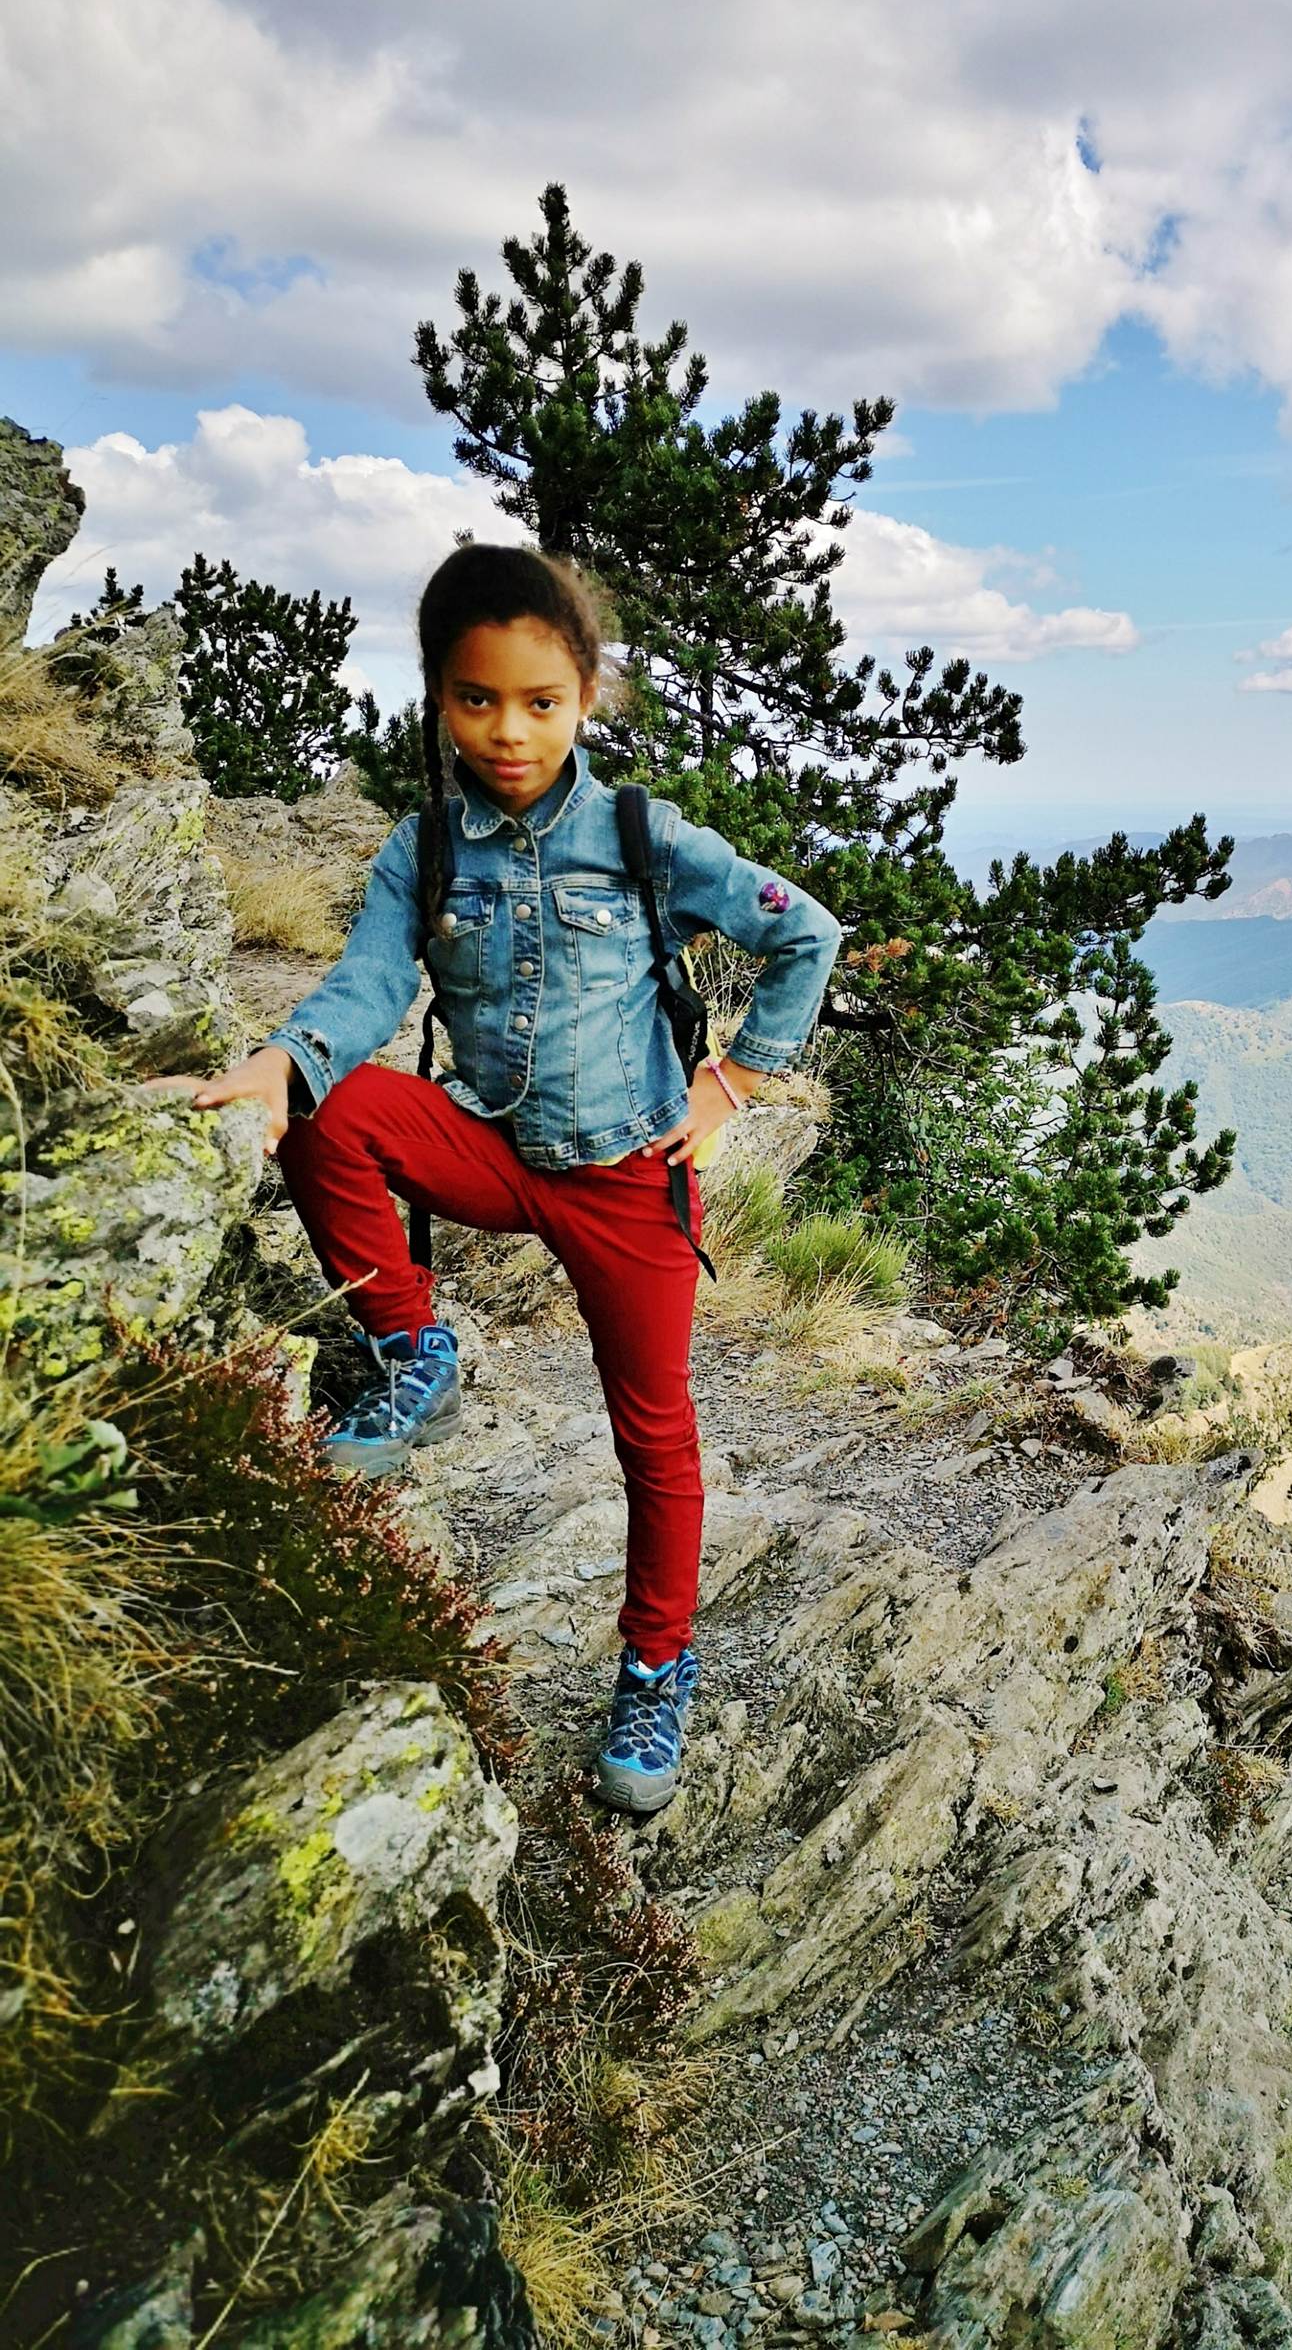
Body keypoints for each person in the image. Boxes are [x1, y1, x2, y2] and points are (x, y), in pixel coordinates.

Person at [152, 542, 841, 1813]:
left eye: (539, 701)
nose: (508, 730)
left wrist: (734, 1083)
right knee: (333, 1111)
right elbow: (365, 989)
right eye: (477, 699)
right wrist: (274, 1063)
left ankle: (654, 1663)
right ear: (438, 698)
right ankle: (418, 1346)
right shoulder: (422, 851)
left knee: (655, 1433)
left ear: (586, 697)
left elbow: (804, 929)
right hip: (488, 1151)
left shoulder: (642, 836)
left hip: (630, 1180)